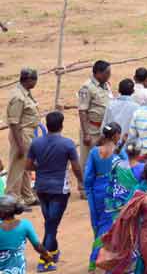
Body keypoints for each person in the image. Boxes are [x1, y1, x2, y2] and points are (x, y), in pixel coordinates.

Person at [25, 111, 82, 272]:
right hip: (59, 190)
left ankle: (54, 251)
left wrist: (42, 168)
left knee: (50, 223)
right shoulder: (68, 144)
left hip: (41, 188)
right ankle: (45, 260)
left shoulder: (36, 143)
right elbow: (76, 167)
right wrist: (81, 182)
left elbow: (28, 166)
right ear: (62, 125)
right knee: (51, 226)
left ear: (47, 125)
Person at [83, 122, 124, 270]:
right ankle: (96, 262)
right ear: (115, 135)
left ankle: (97, 261)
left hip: (97, 191)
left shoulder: (94, 152)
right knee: (111, 228)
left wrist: (89, 194)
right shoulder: (120, 153)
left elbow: (88, 178)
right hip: (113, 193)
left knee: (99, 225)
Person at [6, 68, 40, 206]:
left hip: (27, 134)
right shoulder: (18, 97)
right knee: (17, 168)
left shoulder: (25, 93)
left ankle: (27, 197)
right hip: (21, 134)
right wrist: (20, 145)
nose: (35, 82)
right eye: (34, 79)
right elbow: (14, 123)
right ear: (28, 80)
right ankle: (12, 200)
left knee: (25, 167)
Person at [78, 60, 113, 178]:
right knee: (87, 158)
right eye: (107, 73)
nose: (109, 75)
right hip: (92, 129)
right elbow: (82, 110)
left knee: (100, 157)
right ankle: (83, 186)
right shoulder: (87, 88)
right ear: (98, 73)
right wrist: (86, 133)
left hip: (103, 130)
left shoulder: (106, 85)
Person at [0, 195, 52, 273]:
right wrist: (46, 255)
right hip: (17, 268)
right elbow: (37, 246)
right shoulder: (25, 225)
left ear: (2, 212)